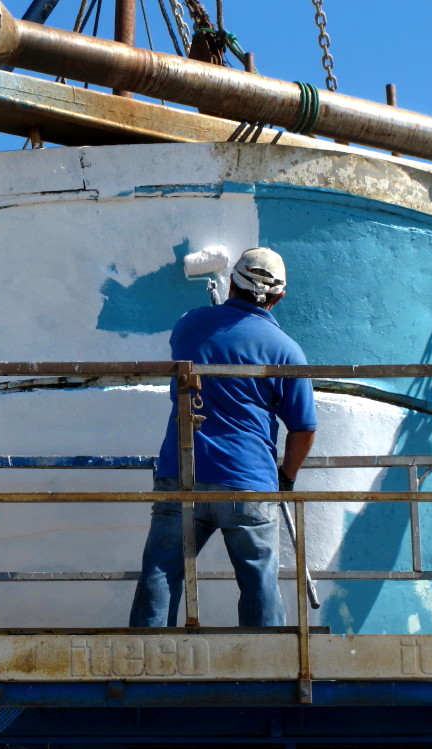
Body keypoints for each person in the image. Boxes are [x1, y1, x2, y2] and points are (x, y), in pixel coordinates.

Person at [129, 247, 316, 627]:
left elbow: (193, 340)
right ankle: (268, 667)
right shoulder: (286, 351)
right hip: (247, 481)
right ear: (280, 297)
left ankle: (144, 661)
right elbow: (303, 428)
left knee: (162, 571)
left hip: (182, 473)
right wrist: (287, 477)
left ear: (232, 281)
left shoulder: (190, 326)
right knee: (259, 580)